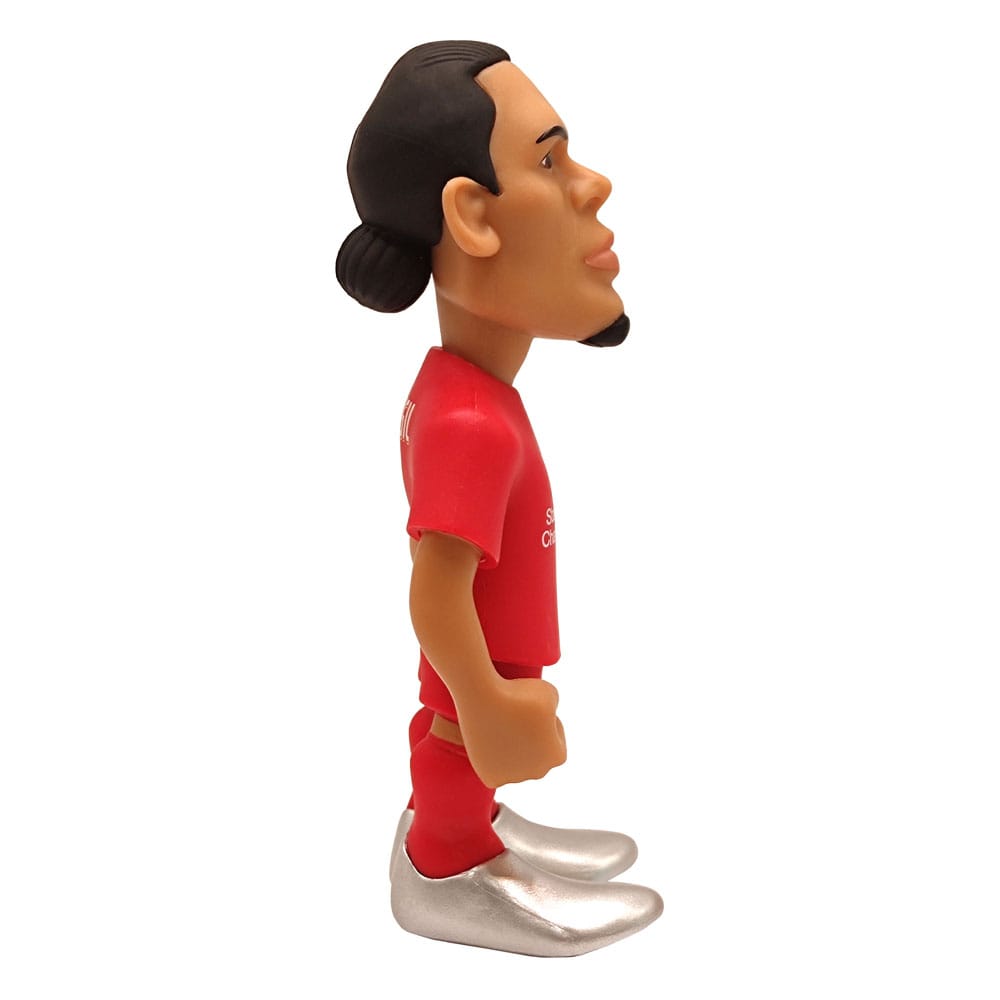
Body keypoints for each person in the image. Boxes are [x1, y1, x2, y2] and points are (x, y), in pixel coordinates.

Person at [337, 41, 661, 956]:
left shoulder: (462, 391)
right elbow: (435, 588)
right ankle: (446, 864)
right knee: (452, 740)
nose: (593, 186)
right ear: (472, 217)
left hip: (482, 662)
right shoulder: (471, 423)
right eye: (550, 163)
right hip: (473, 671)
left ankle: (471, 826)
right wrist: (483, 703)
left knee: (457, 742)